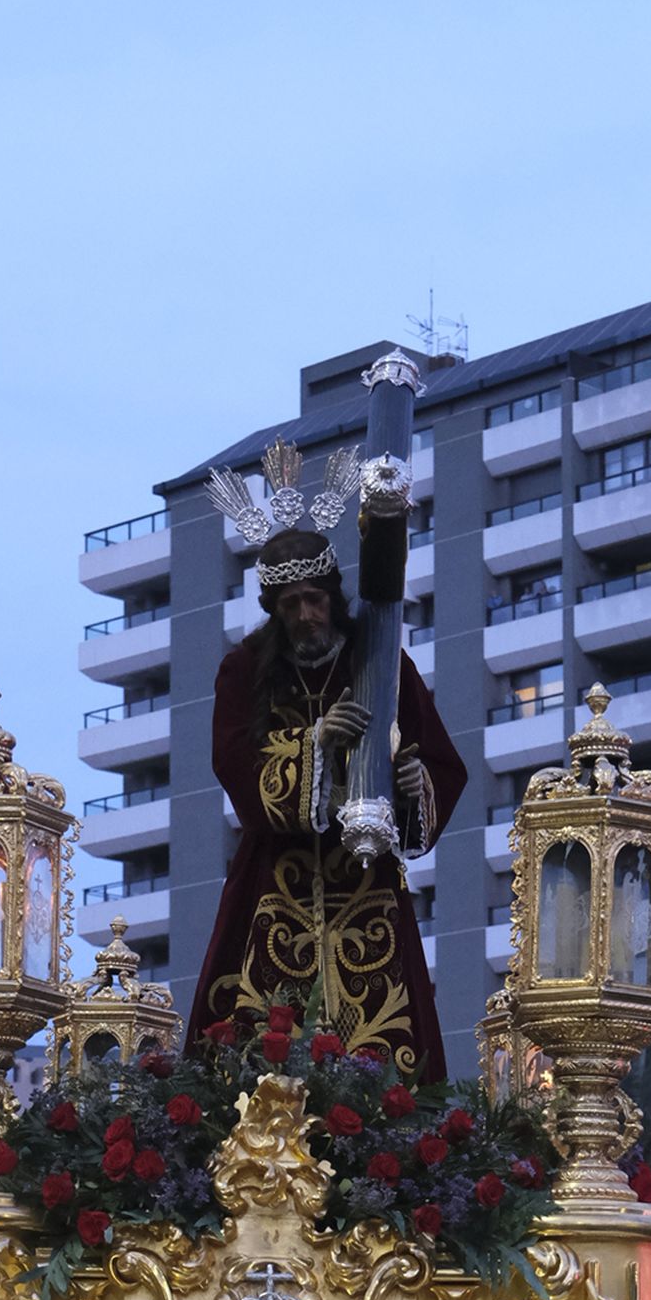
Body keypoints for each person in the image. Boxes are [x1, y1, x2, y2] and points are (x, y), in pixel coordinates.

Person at [187, 444, 466, 1078]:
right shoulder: (242, 670)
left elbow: (443, 764)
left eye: (315, 599)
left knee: (390, 1059)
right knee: (250, 1059)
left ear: (333, 595)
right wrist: (317, 744)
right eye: (291, 606)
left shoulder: (381, 658)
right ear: (273, 610)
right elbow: (233, 762)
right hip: (273, 887)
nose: (306, 615)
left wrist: (410, 784)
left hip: (366, 887)